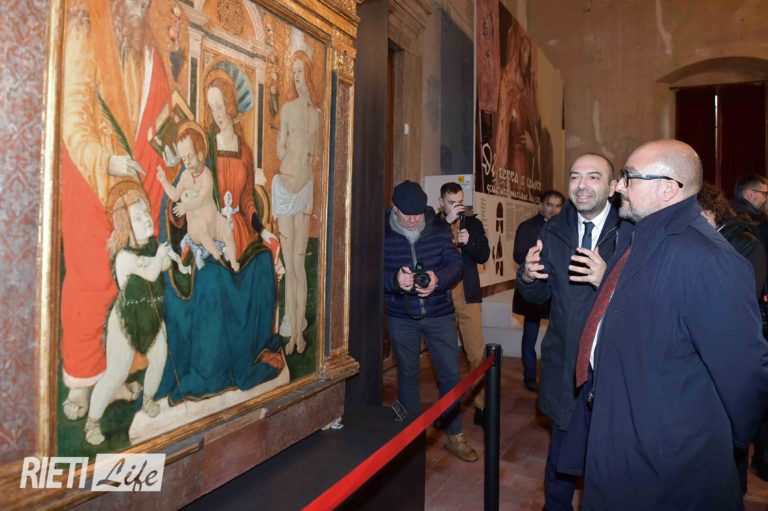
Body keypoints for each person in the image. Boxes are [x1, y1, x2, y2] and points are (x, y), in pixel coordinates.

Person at [567, 139, 768, 510]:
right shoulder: (636, 237)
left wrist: (720, 442)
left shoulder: (710, 259)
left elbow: (745, 374)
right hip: (617, 437)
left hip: (669, 461)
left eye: (629, 177)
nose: (619, 186)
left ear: (668, 188)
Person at [60, 0, 179, 420]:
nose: (142, 3)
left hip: (137, 182)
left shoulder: (147, 47)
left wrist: (173, 152)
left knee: (128, 284)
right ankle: (82, 382)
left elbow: (161, 114)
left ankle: (115, 372)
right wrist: (107, 162)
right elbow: (73, 117)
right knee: (92, 279)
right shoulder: (84, 29)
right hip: (93, 179)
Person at [156, 70, 284, 406]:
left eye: (219, 105)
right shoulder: (205, 147)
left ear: (230, 105)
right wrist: (178, 206)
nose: (216, 113)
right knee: (213, 279)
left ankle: (253, 350)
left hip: (239, 228)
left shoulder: (244, 151)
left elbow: (247, 199)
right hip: (209, 226)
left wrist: (261, 227)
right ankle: (213, 366)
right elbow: (185, 188)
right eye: (210, 107)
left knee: (261, 265)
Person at [516, 153, 622, 511]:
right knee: (561, 456)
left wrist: (607, 281)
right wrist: (527, 277)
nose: (582, 185)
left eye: (593, 177)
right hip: (564, 364)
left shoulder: (630, 232)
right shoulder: (554, 230)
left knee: (608, 459)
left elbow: (650, 304)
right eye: (575, 176)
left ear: (612, 187)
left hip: (612, 367)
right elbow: (538, 296)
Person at [384, 180, 478, 462]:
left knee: (449, 374)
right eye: (407, 214)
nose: (414, 220)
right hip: (401, 316)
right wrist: (395, 280)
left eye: (418, 213)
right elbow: (369, 271)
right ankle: (411, 437)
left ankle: (454, 434)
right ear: (395, 207)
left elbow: (455, 265)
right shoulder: (382, 232)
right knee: (407, 374)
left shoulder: (437, 227)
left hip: (439, 313)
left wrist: (438, 279)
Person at [85, 182, 170, 445]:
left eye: (146, 212)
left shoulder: (152, 244)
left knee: (160, 358)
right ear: (125, 225)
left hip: (151, 314)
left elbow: (165, 263)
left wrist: (161, 258)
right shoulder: (124, 257)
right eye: (138, 217)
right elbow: (152, 272)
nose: (146, 219)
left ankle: (148, 399)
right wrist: (158, 258)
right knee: (117, 374)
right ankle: (92, 422)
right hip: (126, 321)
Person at [273, 50, 322, 355]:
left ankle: (298, 335)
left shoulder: (316, 114)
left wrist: (303, 166)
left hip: (304, 190)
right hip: (284, 187)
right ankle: (291, 330)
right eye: (294, 73)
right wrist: (291, 158)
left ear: (309, 75)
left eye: (301, 72)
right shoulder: (288, 109)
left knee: (299, 263)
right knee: (289, 264)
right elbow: (280, 148)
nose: (297, 77)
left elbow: (315, 156)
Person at [437, 182, 490, 426]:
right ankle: (448, 409)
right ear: (441, 202)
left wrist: (469, 243)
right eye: (451, 202)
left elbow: (484, 255)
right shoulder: (434, 225)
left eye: (459, 202)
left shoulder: (473, 223)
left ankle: (481, 406)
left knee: (477, 353)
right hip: (442, 299)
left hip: (468, 296)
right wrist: (445, 226)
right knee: (446, 358)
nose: (456, 207)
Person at [157, 122, 240, 272]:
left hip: (214, 222)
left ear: (200, 155)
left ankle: (234, 261)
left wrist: (186, 206)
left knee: (227, 229)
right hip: (197, 227)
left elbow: (202, 198)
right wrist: (164, 182)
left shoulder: (206, 175)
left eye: (189, 156)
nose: (187, 162)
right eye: (184, 159)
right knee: (200, 227)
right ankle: (215, 252)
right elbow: (175, 195)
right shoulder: (185, 176)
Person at [512, 190, 565, 393]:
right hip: (534, 286)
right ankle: (530, 375)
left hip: (558, 289)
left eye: (558, 206)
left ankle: (553, 377)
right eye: (550, 205)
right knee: (530, 335)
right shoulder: (528, 227)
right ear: (541, 206)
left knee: (558, 335)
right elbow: (518, 255)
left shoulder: (566, 229)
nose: (554, 209)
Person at [732, 173, 768, 253]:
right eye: (765, 194)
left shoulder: (729, 214)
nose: (766, 199)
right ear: (750, 194)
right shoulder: (748, 222)